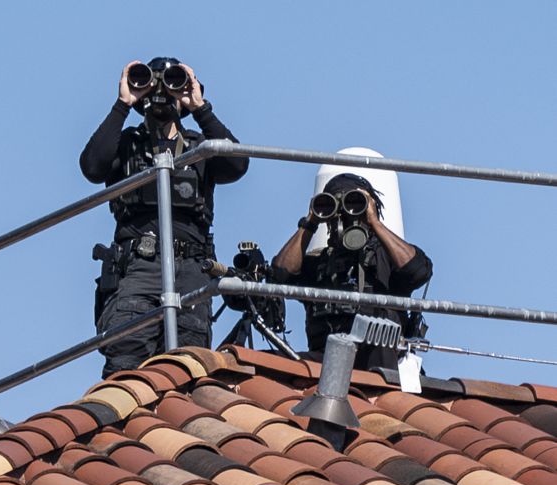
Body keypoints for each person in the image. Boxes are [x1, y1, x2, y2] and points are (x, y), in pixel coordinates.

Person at [80, 57, 249, 377]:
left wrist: (200, 107)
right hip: (137, 268)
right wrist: (123, 104)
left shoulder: (201, 148)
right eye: (152, 83)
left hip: (190, 268)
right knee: (125, 366)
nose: (163, 92)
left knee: (190, 367)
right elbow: (92, 166)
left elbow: (237, 165)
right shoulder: (127, 145)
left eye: (173, 82)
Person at [270, 173, 433, 369]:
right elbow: (281, 274)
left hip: (377, 359)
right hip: (326, 359)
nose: (344, 216)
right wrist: (311, 221)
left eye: (355, 203)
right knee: (268, 362)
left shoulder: (385, 257)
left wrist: (374, 222)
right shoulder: (319, 263)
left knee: (379, 342)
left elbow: (418, 271)